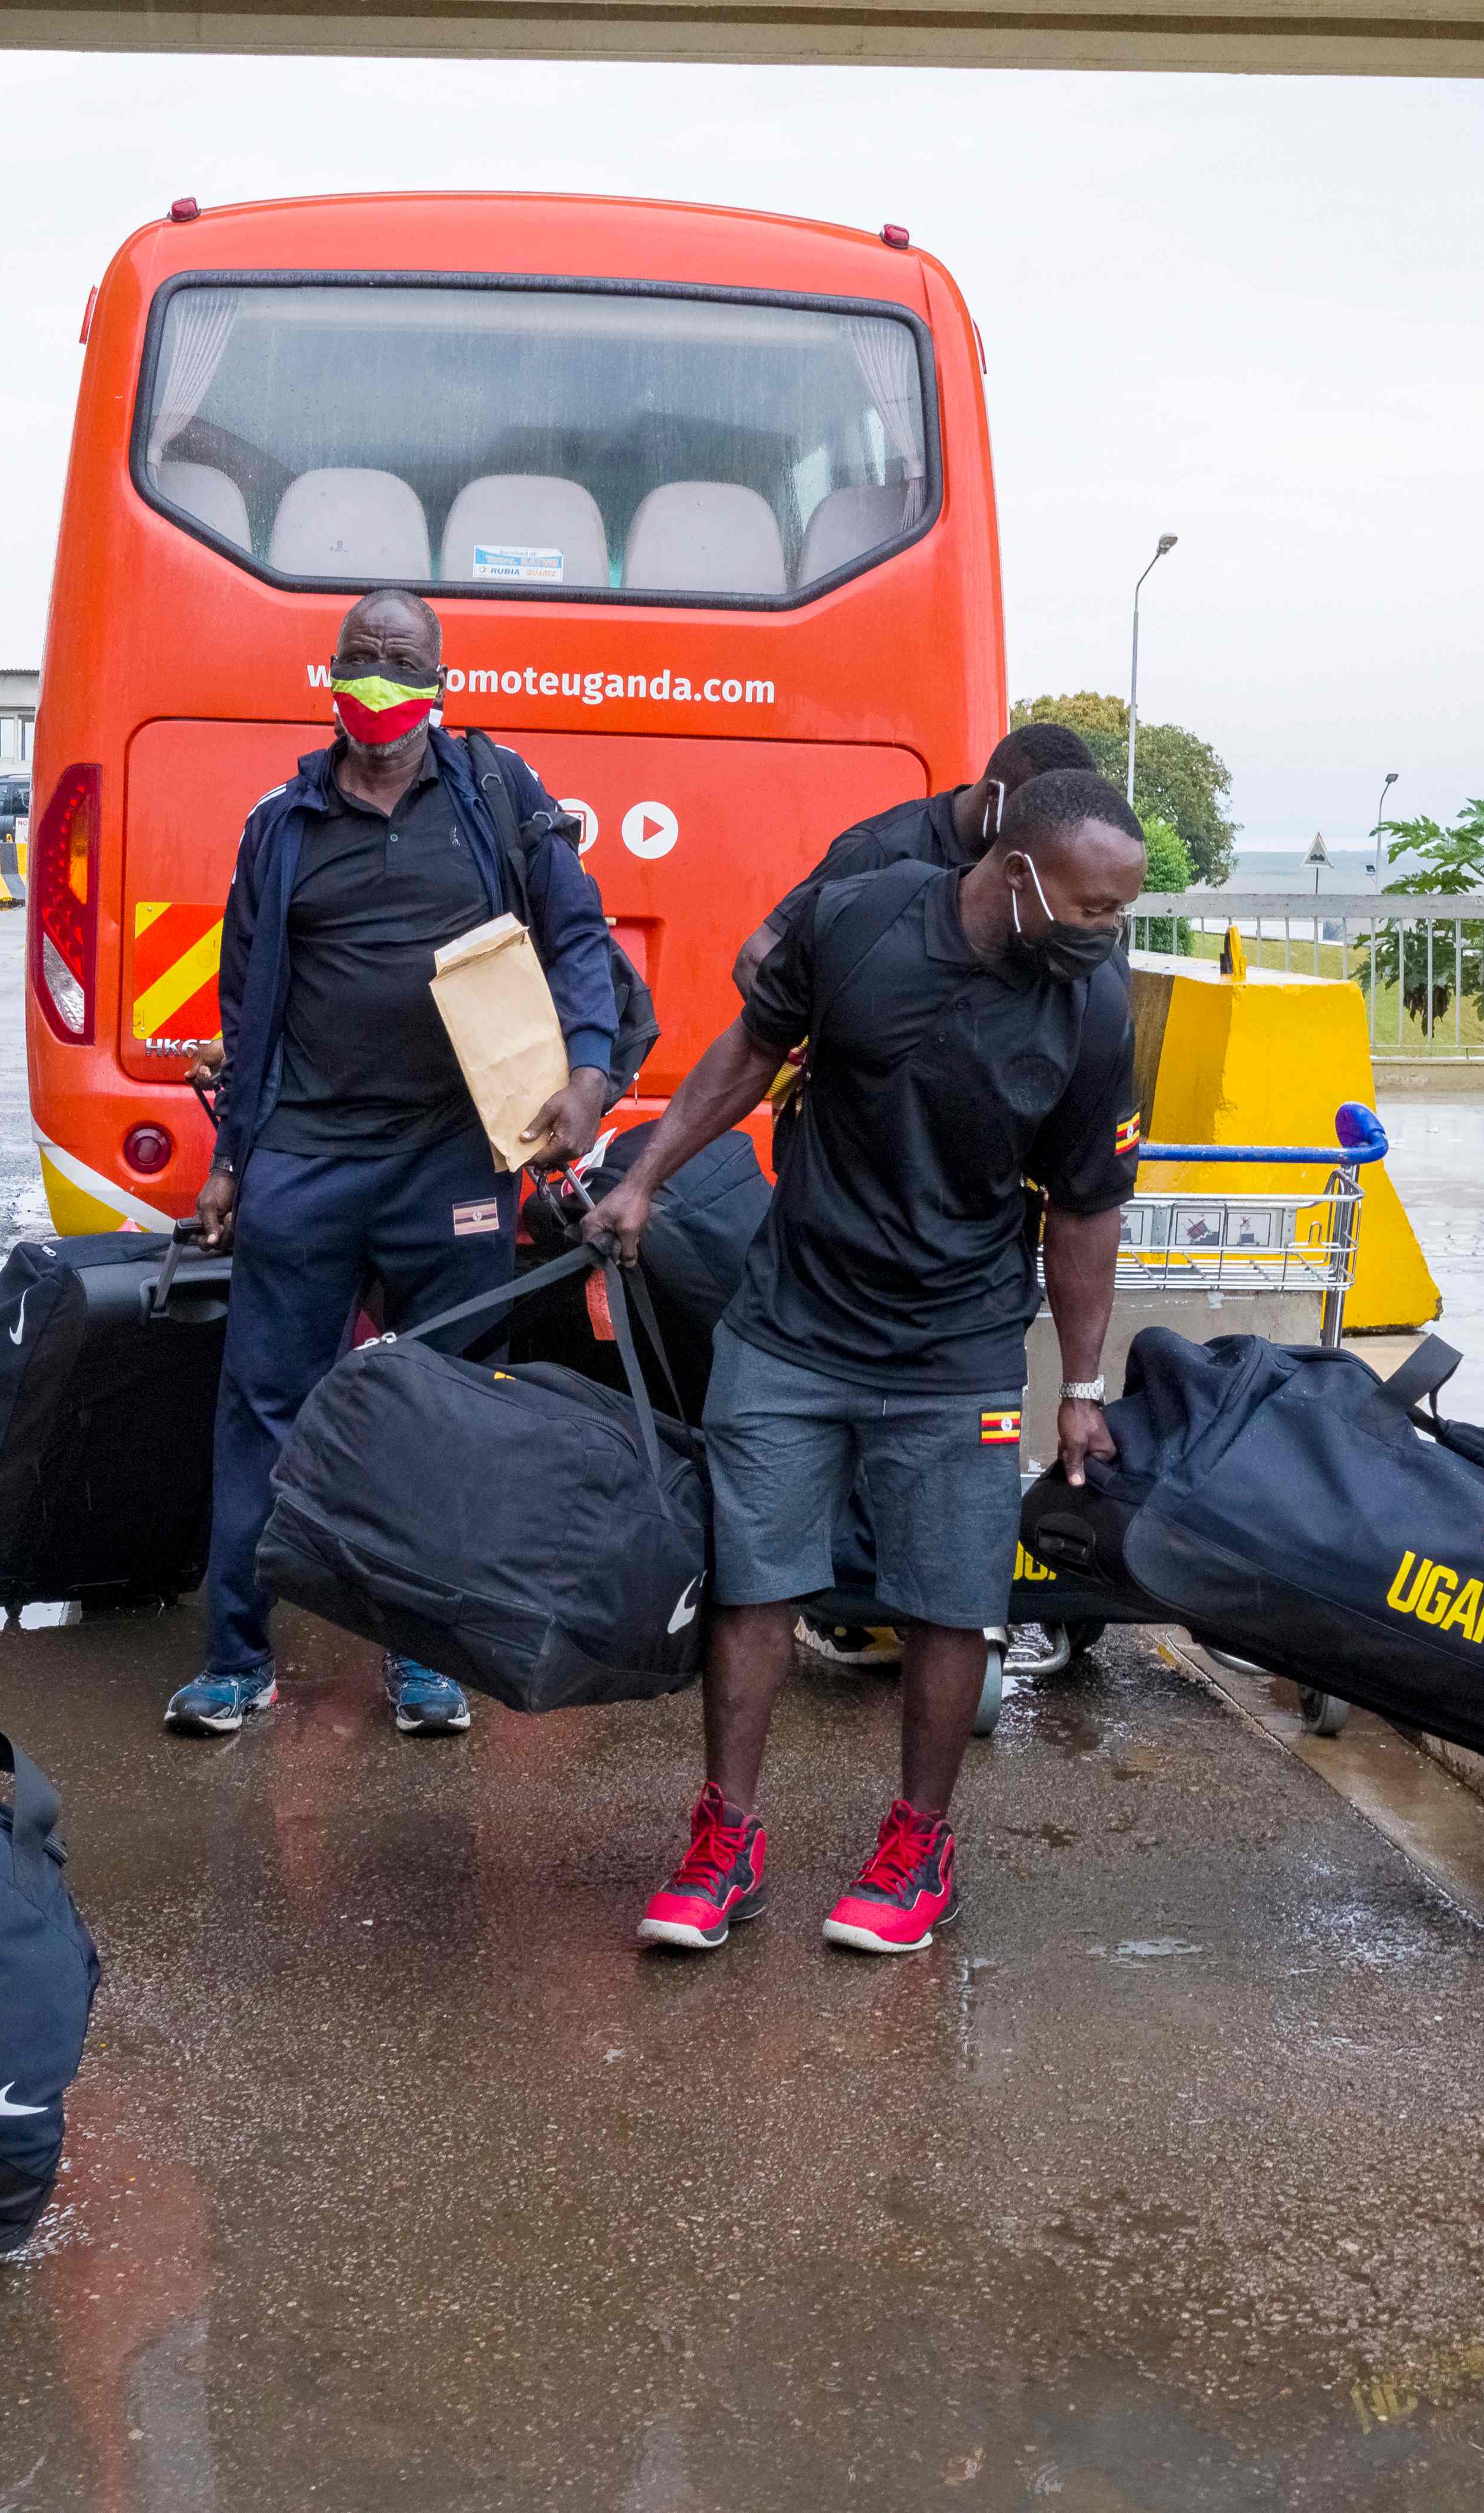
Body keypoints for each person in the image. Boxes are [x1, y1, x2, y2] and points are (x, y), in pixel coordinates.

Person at [585, 769, 1146, 1955]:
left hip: (958, 1344)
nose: (1105, 933)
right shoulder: (862, 917)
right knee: (753, 1583)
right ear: (1017, 871)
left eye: (1120, 911)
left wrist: (1082, 1388)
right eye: (1091, 905)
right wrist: (643, 1179)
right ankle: (724, 1837)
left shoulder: (1092, 1007)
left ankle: (916, 1843)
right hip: (794, 1320)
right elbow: (750, 1048)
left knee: (949, 1601)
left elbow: (1087, 1207)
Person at [170, 587, 621, 1739]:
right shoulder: (281, 824)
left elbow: (575, 933)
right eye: (359, 659)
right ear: (328, 674)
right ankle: (235, 1655)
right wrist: (232, 1162)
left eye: (399, 660)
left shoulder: (492, 796)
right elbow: (246, 1002)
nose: (377, 680)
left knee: (445, 1410)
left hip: (452, 1164)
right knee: (263, 1405)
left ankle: (424, 1659)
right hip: (306, 1163)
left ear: (437, 678)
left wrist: (587, 1069)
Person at [733, 718, 1099, 987]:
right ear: (994, 797)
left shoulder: (1025, 874)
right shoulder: (881, 849)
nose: (1047, 841)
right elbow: (756, 958)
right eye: (1036, 819)